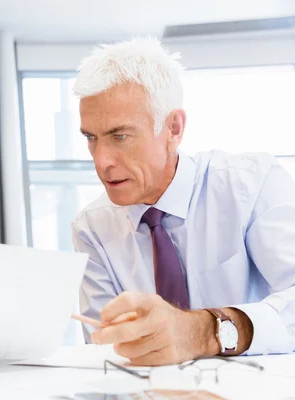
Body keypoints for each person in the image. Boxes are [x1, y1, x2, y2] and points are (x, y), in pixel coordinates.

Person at [71, 36, 295, 366]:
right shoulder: (92, 227)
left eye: (120, 136)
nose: (101, 161)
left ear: (173, 128)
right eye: (91, 138)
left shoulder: (251, 184)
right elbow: (104, 349)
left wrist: (206, 331)